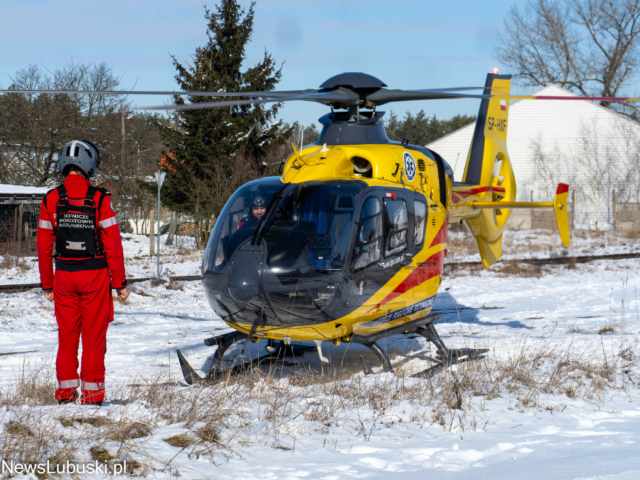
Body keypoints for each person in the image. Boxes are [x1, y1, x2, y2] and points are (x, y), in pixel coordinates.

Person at [37, 140, 130, 406]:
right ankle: (92, 397)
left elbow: (43, 247)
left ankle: (65, 394)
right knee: (93, 339)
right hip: (95, 277)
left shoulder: (51, 199)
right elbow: (113, 246)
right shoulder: (100, 200)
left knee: (66, 339)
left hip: (64, 277)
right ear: (89, 166)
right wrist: (120, 283)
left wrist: (47, 285)